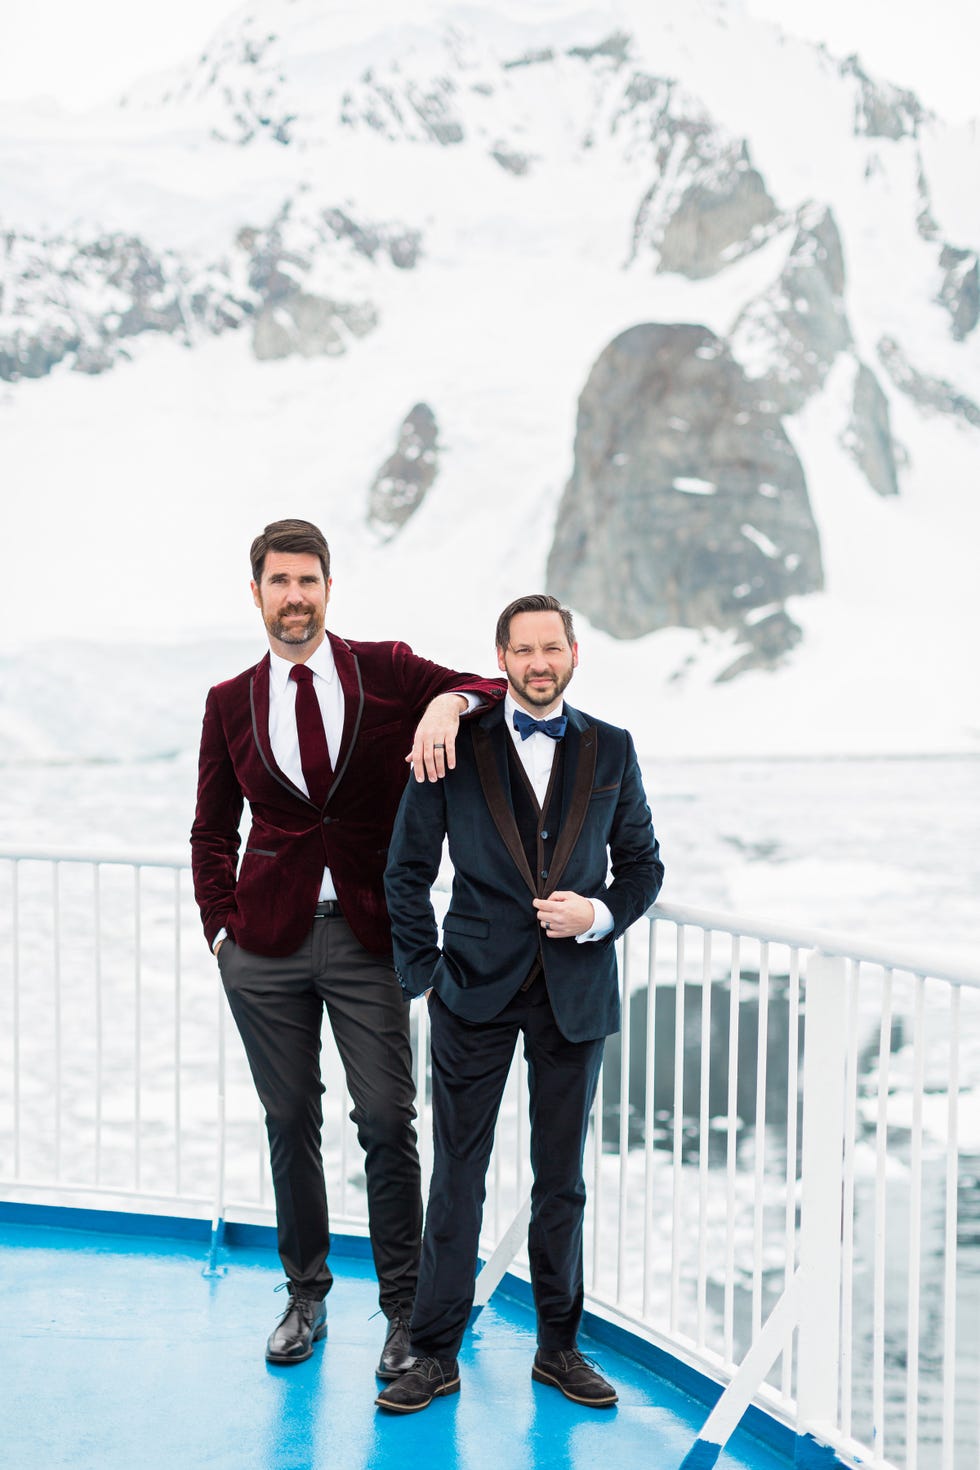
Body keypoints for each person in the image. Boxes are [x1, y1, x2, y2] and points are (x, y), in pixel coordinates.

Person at [190, 518, 504, 1377]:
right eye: (280, 582)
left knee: (386, 1120)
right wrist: (222, 927)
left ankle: (403, 1311)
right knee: (289, 1120)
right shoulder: (228, 701)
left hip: (369, 938)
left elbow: (491, 684)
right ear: (255, 593)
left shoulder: (388, 670)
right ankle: (305, 1296)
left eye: (310, 581)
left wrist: (448, 702)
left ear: (330, 589)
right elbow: (212, 827)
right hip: (265, 946)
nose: (296, 597)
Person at [377, 593, 663, 1414]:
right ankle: (433, 1352)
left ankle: (558, 1349)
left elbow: (643, 864)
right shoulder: (454, 744)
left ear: (575, 653)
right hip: (470, 990)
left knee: (561, 1179)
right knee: (457, 1176)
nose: (539, 663)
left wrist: (598, 915)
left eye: (552, 648)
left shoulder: (613, 747)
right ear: (500, 659)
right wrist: (424, 973)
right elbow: (406, 868)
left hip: (575, 992)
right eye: (523, 650)